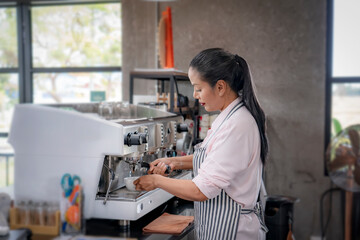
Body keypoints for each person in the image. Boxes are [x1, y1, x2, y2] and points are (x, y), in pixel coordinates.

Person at [134, 48, 268, 240]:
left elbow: (201, 190)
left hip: (233, 231)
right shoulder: (228, 117)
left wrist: (156, 181)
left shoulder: (237, 125)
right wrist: (175, 162)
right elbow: (214, 158)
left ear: (220, 87)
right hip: (220, 226)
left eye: (198, 88)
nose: (195, 95)